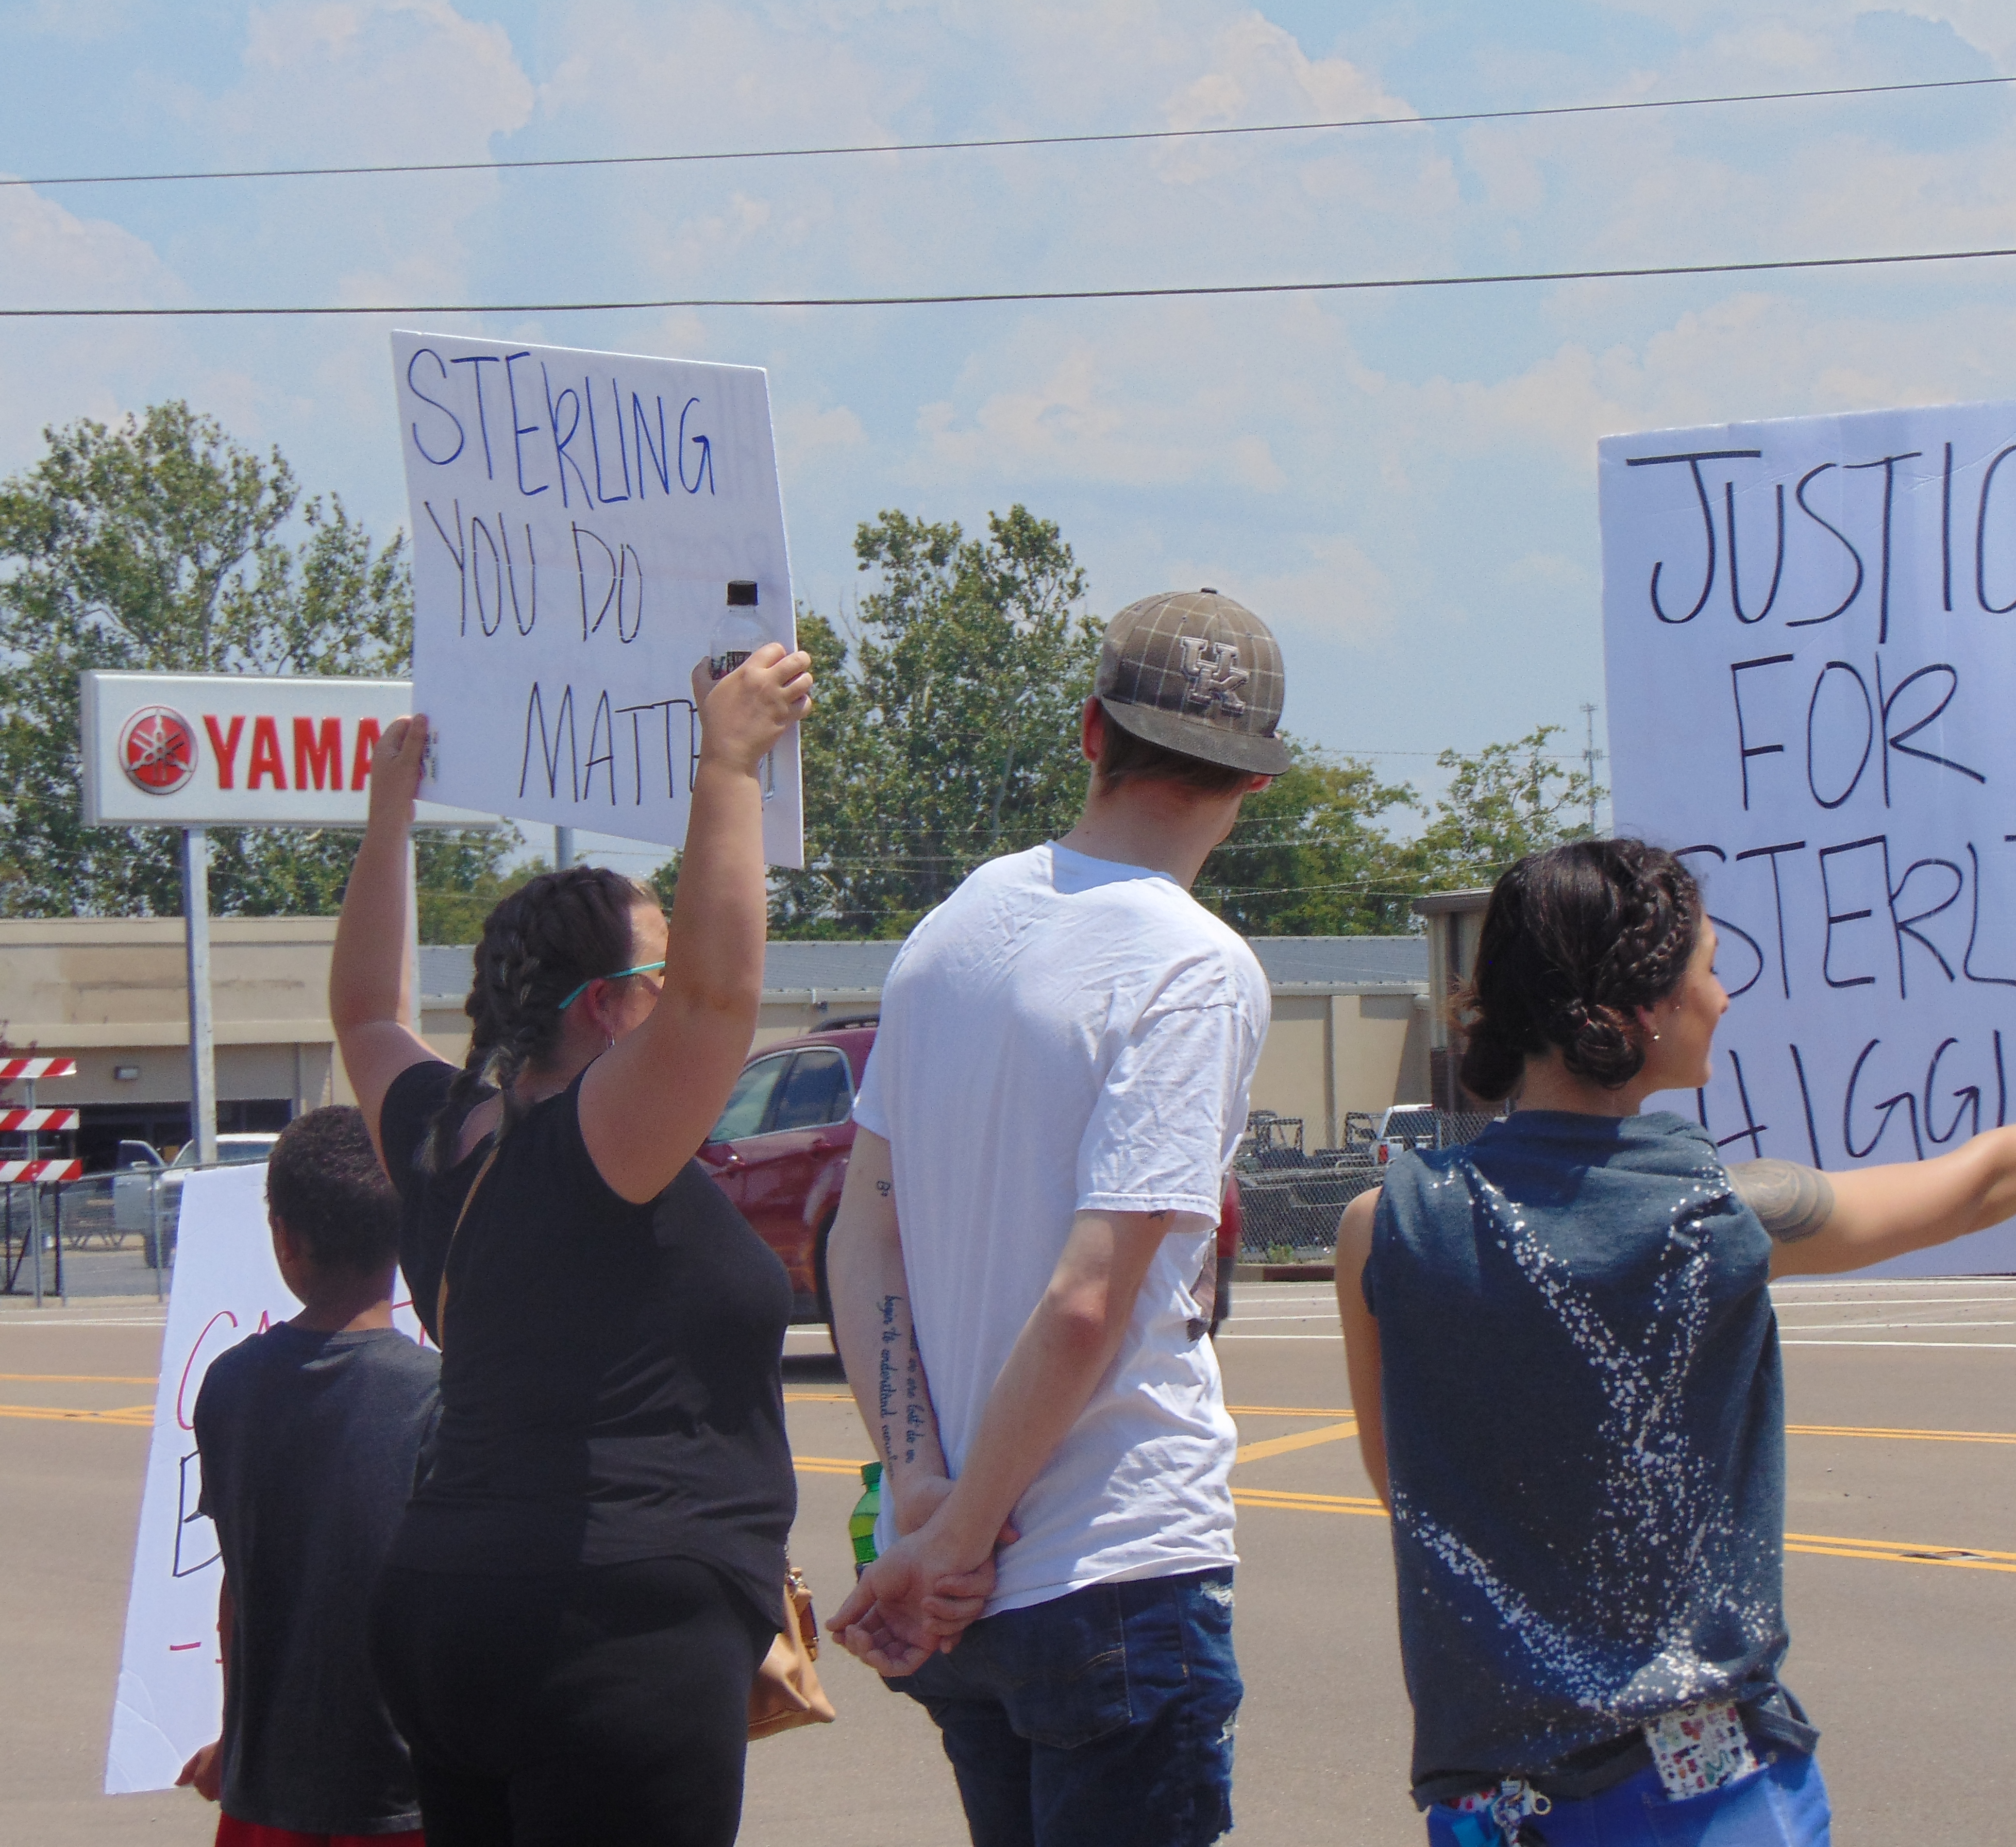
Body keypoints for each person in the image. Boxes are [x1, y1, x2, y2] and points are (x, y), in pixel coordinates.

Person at [1335, 839, 2016, 1847]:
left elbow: (1399, 1478)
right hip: (1703, 1792)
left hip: (1494, 1807)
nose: (1722, 994)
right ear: (1640, 1010)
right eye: (1707, 967)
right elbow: (1975, 1186)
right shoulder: (1716, 1217)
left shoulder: (1383, 1226)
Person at [327, 642, 816, 1847]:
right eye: (654, 968)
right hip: (603, 1628)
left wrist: (389, 821)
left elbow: (366, 1013)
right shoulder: (608, 1140)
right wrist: (727, 761)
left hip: (445, 1615)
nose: (676, 989)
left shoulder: (447, 1134)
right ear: (606, 1005)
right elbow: (717, 999)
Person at [826, 588, 1289, 1847]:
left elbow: (861, 1234)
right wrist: (952, 1542)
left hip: (979, 1601)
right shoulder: (1195, 968)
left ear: (1091, 730)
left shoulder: (950, 936)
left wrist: (922, 1492)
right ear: (1257, 780)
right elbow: (1092, 1301)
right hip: (1119, 1570)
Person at [176, 1105, 439, 1847]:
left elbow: (240, 1586)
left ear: (284, 1239)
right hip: (406, 1795)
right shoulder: (441, 1398)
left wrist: (234, 1738)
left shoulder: (228, 1388)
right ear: (401, 1234)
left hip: (268, 1792)